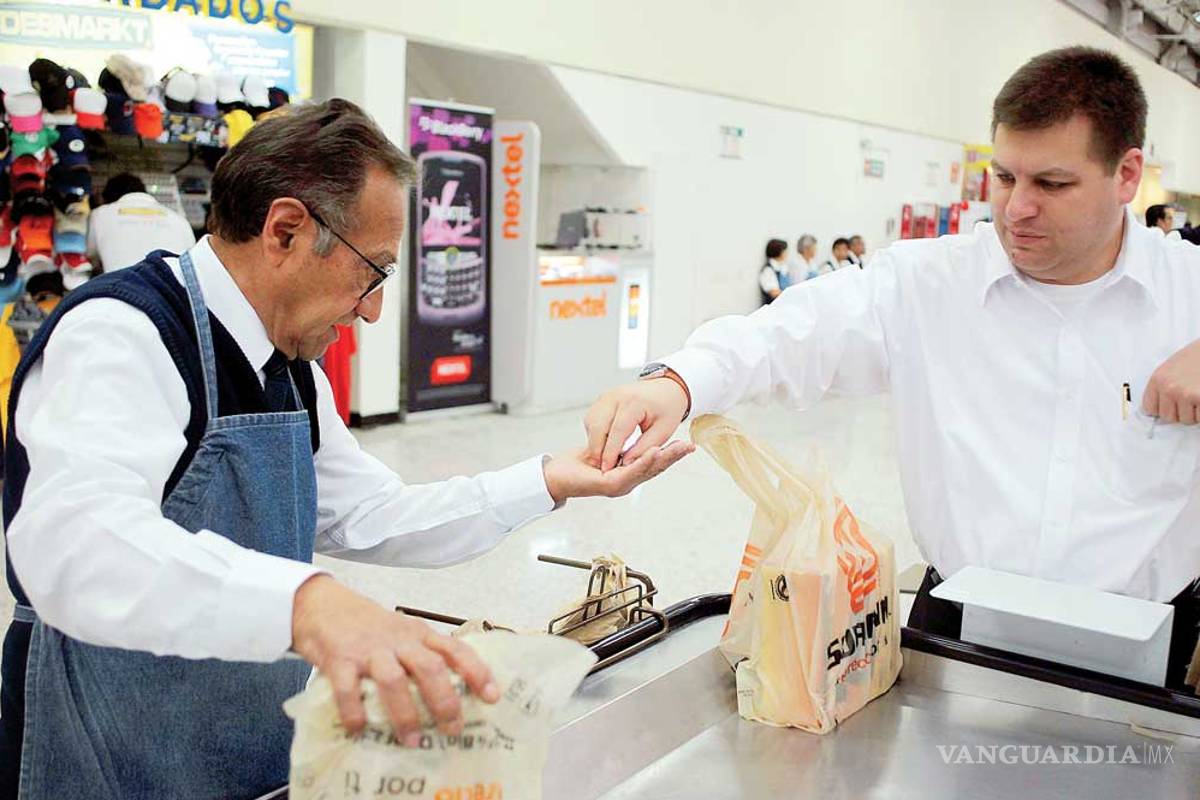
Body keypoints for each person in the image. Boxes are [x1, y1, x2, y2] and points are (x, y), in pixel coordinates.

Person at [0, 100, 692, 798]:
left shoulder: (288, 363)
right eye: (374, 271)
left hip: (243, 753)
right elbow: (72, 543)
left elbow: (368, 513)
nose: (372, 309)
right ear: (286, 230)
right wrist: (307, 604)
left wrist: (548, 479)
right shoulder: (123, 334)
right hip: (104, 756)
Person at [581, 47, 1200, 689]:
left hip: (1148, 651)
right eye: (1005, 178)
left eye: (1051, 183)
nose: (1016, 209)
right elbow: (789, 332)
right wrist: (678, 382)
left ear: (1127, 176)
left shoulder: (1190, 293)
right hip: (957, 632)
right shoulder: (928, 283)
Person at [86, 172, 197, 272]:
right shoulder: (178, 219)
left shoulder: (100, 214)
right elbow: (192, 263)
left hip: (121, 289)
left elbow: (90, 257)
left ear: (108, 198)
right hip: (175, 292)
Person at [759, 238, 791, 304]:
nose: (787, 254)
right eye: (785, 251)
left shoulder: (783, 267)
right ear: (778, 252)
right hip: (773, 308)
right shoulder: (768, 270)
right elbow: (774, 293)